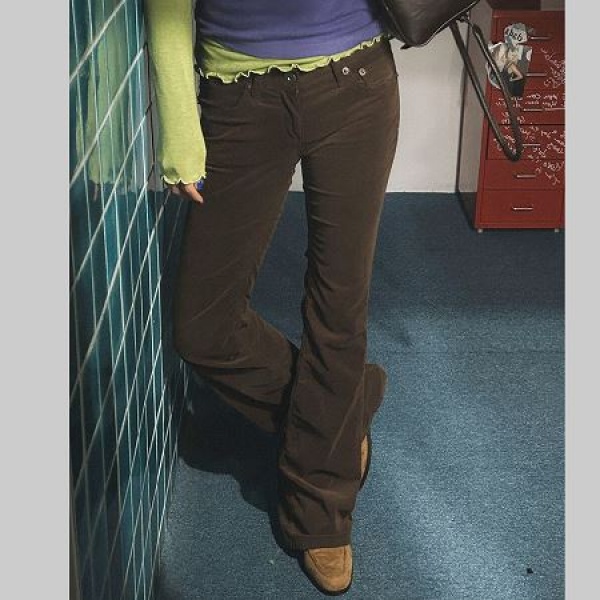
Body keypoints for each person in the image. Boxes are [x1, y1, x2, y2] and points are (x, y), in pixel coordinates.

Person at [144, 0, 399, 594]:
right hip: (239, 96)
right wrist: (179, 122)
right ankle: (340, 411)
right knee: (203, 327)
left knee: (338, 306)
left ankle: (320, 509)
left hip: (356, 79)